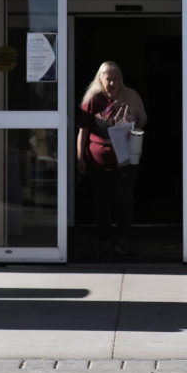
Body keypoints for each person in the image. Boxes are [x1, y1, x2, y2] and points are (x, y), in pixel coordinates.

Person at [77, 62, 148, 256]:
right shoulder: (92, 99)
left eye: (116, 78)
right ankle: (105, 240)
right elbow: (83, 129)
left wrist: (134, 133)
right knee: (103, 202)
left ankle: (123, 239)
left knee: (124, 200)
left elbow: (143, 118)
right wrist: (80, 157)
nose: (112, 82)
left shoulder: (131, 96)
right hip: (98, 161)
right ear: (100, 79)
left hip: (126, 158)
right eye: (108, 78)